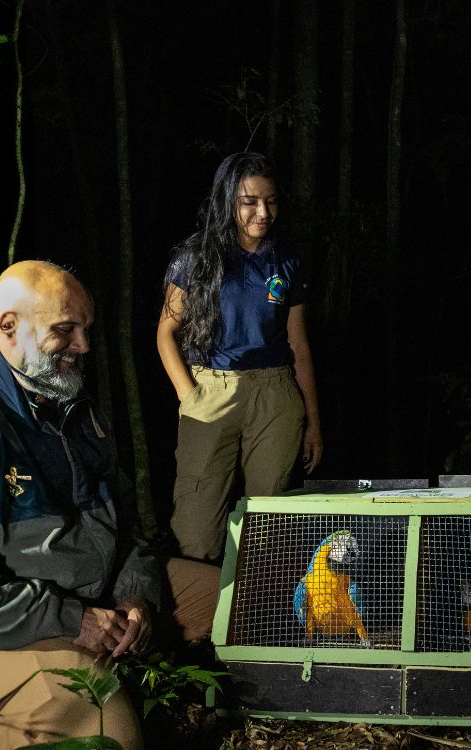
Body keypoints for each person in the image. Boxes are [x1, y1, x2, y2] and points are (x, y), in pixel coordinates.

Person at [0, 261, 219, 749]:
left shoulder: (73, 408)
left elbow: (125, 523)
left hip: (92, 597)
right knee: (104, 735)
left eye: (86, 329)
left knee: (244, 598)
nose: (84, 345)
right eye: (65, 330)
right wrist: (74, 620)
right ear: (8, 326)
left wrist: (135, 594)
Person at [158, 152, 321, 563]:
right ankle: (198, 624)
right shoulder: (194, 258)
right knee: (197, 523)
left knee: (270, 520)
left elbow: (299, 346)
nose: (262, 212)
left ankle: (259, 619)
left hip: (275, 394)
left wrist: (314, 422)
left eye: (270, 201)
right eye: (249, 201)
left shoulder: (286, 261)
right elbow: (166, 332)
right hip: (210, 391)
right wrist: (189, 396)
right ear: (228, 200)